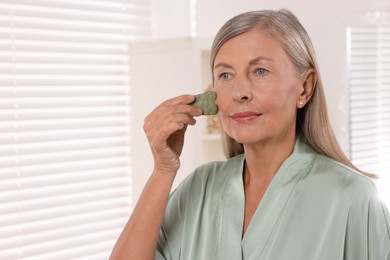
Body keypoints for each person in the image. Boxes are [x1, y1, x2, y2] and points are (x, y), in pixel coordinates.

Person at [110, 9, 390, 260]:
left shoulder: (352, 198)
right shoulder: (199, 188)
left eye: (260, 71)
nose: (240, 92)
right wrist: (163, 169)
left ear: (304, 88)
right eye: (226, 75)